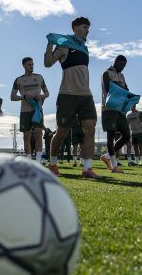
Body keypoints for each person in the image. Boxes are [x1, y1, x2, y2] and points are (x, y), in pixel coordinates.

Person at [45, 17, 99, 179]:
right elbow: (48, 63)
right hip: (67, 95)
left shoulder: (84, 48)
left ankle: (87, 168)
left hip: (86, 95)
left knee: (90, 128)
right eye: (84, 27)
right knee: (62, 131)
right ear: (75, 28)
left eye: (88, 27)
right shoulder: (64, 45)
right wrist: (50, 43)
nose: (87, 30)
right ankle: (52, 164)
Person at [11, 57, 50, 163]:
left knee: (38, 135)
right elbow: (12, 96)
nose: (31, 66)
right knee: (26, 136)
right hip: (25, 111)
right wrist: (23, 97)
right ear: (23, 65)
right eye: (29, 64)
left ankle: (38, 160)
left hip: (37, 111)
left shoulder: (39, 77)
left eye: (32, 64)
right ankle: (28, 160)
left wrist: (42, 96)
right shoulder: (19, 80)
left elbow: (47, 93)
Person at [100, 55, 133, 174]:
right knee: (111, 136)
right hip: (109, 109)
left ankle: (107, 156)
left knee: (126, 135)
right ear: (115, 62)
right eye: (121, 64)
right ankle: (114, 166)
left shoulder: (122, 76)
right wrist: (123, 90)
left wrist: (130, 96)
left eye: (124, 66)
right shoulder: (106, 73)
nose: (123, 67)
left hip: (120, 109)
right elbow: (110, 89)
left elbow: (127, 90)